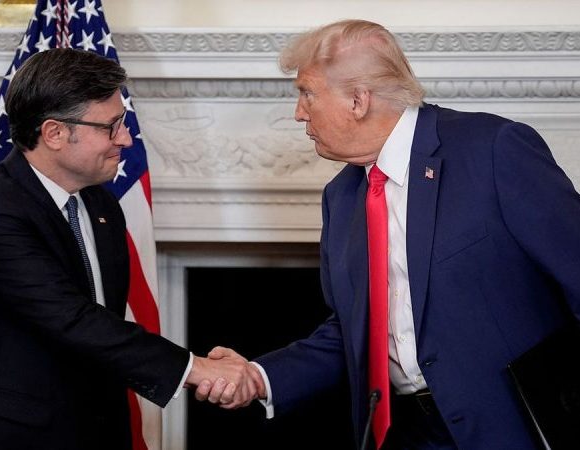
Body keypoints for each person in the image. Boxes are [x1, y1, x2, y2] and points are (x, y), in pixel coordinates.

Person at [201, 19, 580, 450]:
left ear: (358, 100)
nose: (299, 112)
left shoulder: (493, 149)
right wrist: (259, 376)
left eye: (307, 93)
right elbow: (351, 333)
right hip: (405, 434)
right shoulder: (341, 197)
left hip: (514, 431)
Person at [0, 48, 262, 450]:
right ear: (54, 133)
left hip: (104, 426)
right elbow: (72, 318)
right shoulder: (1, 207)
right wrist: (195, 369)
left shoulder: (100, 203)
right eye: (111, 126)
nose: (125, 138)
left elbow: (106, 319)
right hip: (27, 435)